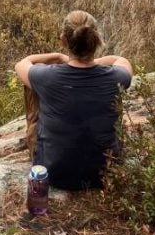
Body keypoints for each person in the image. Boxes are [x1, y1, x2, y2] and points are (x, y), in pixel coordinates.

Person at [14, 10, 133, 191]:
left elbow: (22, 64)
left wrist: (58, 57)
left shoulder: (48, 77)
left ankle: (33, 136)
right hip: (106, 173)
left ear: (63, 39)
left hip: (54, 174)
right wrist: (90, 62)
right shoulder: (117, 77)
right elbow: (120, 60)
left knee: (35, 73)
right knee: (113, 90)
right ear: (97, 39)